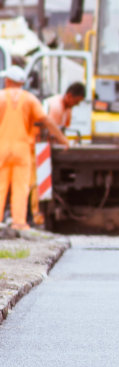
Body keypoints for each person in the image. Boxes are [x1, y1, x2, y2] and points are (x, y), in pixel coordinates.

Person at [0, 66, 68, 238]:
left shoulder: (1, 97)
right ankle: (19, 222)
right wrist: (62, 138)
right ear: (22, 82)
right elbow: (45, 120)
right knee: (21, 187)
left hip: (2, 147)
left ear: (7, 81)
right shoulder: (30, 99)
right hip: (23, 148)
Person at [32, 82, 85, 227]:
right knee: (33, 182)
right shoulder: (55, 106)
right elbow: (51, 129)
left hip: (45, 147)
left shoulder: (67, 107)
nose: (76, 104)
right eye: (76, 101)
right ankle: (36, 215)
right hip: (38, 147)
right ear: (69, 96)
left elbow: (62, 130)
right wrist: (62, 142)